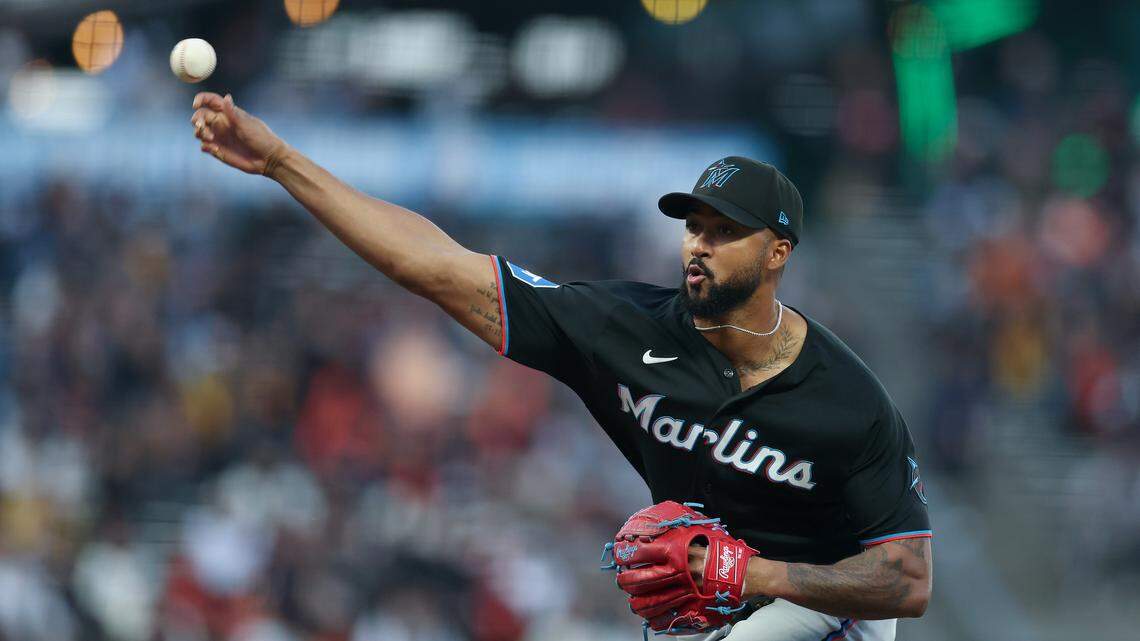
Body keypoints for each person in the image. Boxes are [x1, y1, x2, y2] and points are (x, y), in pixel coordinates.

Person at [189, 93, 932, 640]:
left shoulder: (848, 400)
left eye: (726, 231)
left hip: (824, 609)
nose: (700, 245)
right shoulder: (622, 329)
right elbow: (436, 267)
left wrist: (754, 573)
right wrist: (283, 163)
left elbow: (906, 580)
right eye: (695, 226)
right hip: (709, 607)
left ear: (777, 253)